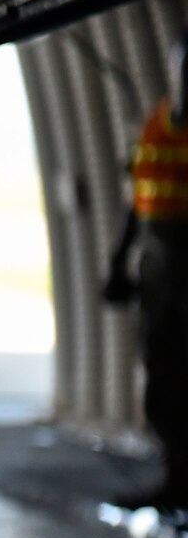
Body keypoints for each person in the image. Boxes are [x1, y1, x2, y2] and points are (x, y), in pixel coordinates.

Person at [103, 34, 188, 506]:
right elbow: (135, 205)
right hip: (158, 267)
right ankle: (176, 478)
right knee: (163, 374)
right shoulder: (154, 130)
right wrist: (118, 262)